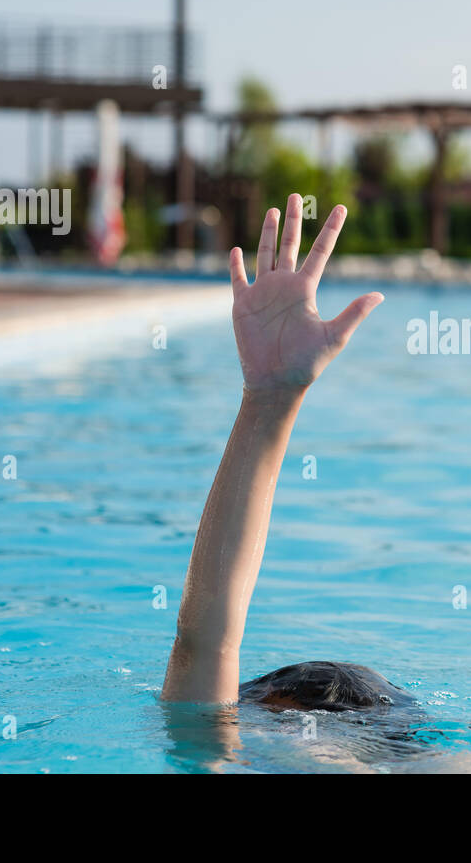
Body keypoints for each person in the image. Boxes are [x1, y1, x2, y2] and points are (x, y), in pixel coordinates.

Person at [159, 194, 406, 711]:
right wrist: (270, 399)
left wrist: (269, 402)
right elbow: (203, 651)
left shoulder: (223, 745)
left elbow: (203, 649)